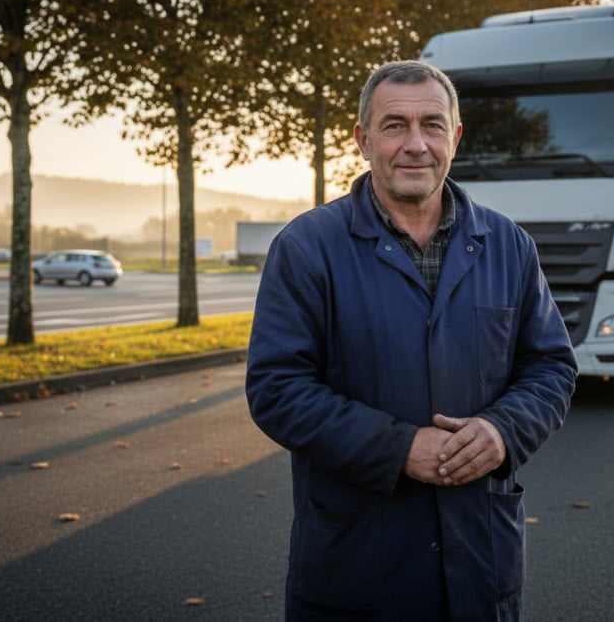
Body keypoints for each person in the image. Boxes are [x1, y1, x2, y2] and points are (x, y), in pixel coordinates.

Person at [245, 60, 578, 621]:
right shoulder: (306, 247)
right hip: (356, 571)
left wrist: (503, 431)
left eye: (433, 125)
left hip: (481, 566)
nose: (416, 145)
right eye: (395, 125)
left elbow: (550, 367)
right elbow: (277, 389)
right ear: (363, 140)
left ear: (456, 136)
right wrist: (398, 448)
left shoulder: (509, 245)